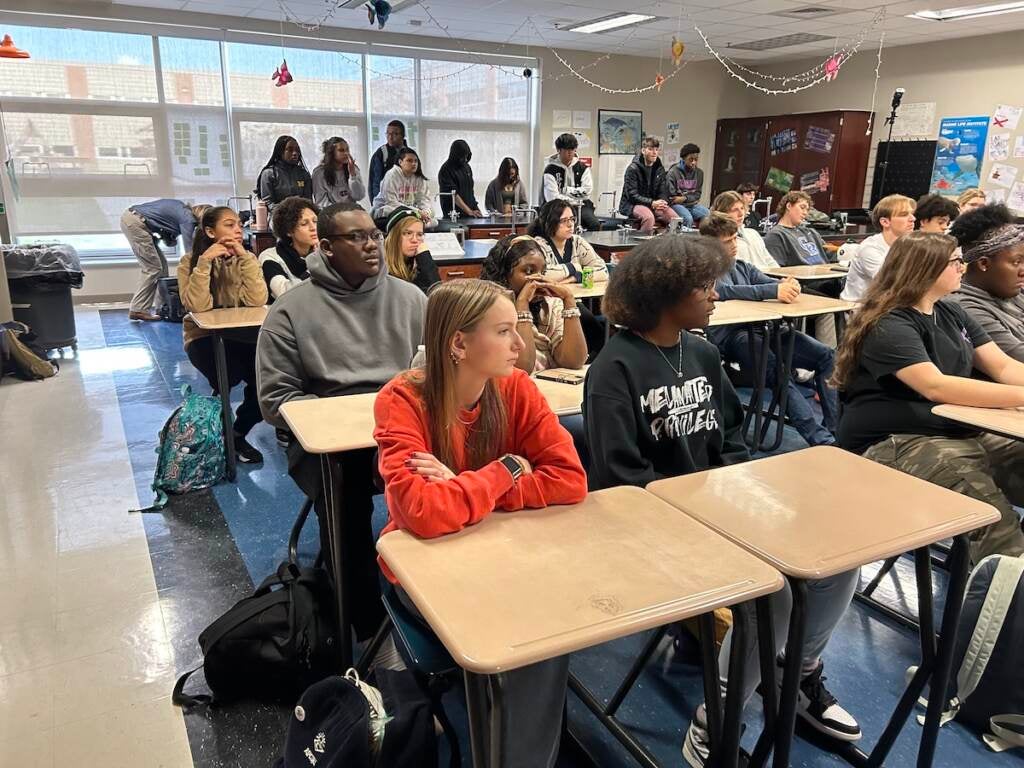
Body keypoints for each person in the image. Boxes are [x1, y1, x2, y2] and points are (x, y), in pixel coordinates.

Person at [582, 236, 861, 767]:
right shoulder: (614, 369)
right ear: (666, 296)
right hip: (649, 523)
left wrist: (738, 494)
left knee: (838, 558)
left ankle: (796, 675)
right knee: (772, 593)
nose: (715, 297)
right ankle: (717, 720)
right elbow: (620, 477)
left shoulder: (704, 352)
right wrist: (707, 511)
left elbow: (732, 438)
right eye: (703, 287)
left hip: (718, 507)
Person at [373, 278, 587, 768]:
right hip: (421, 567)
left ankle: (523, 746)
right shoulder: (401, 399)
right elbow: (423, 513)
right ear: (458, 343)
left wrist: (465, 487)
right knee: (533, 636)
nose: (520, 344)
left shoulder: (516, 388)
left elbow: (570, 480)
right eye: (505, 330)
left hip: (502, 551)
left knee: (549, 626)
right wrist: (507, 468)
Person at [257, 202, 427, 644]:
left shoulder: (411, 299)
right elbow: (276, 400)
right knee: (346, 493)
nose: (371, 244)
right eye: (356, 237)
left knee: (461, 469)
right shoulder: (291, 311)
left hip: (404, 427)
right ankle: (368, 625)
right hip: (331, 443)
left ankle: (440, 600)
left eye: (373, 234)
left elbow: (440, 371)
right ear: (327, 247)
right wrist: (344, 422)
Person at [832, 231, 1024, 561]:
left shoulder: (951, 313)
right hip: (897, 441)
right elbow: (935, 386)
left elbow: (1004, 366)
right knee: (995, 524)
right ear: (925, 269)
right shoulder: (888, 323)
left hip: (958, 430)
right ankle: (1006, 593)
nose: (963, 267)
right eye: (956, 261)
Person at [700, 214, 837, 446]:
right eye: (727, 242)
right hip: (734, 335)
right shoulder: (706, 270)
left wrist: (787, 285)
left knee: (826, 355)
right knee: (777, 370)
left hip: (767, 328)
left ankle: (836, 429)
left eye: (735, 239)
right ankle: (822, 440)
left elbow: (764, 282)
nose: (734, 245)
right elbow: (727, 291)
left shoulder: (742, 265)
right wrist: (773, 291)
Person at [178, 206, 268, 464]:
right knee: (226, 376)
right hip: (204, 337)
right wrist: (205, 263)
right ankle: (219, 436)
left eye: (239, 224)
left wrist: (247, 260)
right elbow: (198, 306)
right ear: (209, 231)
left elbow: (257, 300)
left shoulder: (245, 257)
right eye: (229, 225)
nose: (238, 229)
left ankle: (235, 435)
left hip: (245, 335)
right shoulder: (189, 262)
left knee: (267, 385)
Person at [480, 235, 588, 373]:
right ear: (505, 273)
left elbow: (574, 361)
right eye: (529, 271)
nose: (539, 279)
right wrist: (522, 304)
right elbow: (523, 369)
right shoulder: (490, 310)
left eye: (542, 272)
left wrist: (568, 300)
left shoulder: (549, 306)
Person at [949, 204, 1024, 361]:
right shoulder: (964, 308)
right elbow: (1018, 356)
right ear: (984, 264)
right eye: (1017, 262)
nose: (1022, 271)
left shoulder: (1012, 291)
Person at [121, 199, 207, 321]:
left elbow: (167, 237)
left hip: (135, 219)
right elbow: (190, 252)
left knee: (161, 267)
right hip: (136, 222)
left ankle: (163, 308)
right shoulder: (188, 219)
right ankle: (138, 309)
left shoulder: (181, 211)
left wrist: (170, 237)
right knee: (153, 268)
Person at [841, 194, 916, 302]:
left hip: (892, 307)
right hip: (861, 310)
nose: (913, 219)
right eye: (904, 214)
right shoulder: (870, 249)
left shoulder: (910, 246)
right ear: (885, 222)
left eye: (912, 214)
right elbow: (891, 283)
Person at [529, 200, 609, 284]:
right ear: (549, 223)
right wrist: (573, 267)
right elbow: (539, 275)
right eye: (564, 220)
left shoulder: (577, 242)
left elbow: (603, 271)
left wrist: (578, 277)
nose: (570, 224)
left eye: (572, 219)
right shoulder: (538, 245)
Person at [258, 196, 319, 301]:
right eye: (304, 224)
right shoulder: (270, 257)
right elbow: (286, 296)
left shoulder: (326, 252)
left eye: (315, 221)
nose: (313, 228)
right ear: (288, 231)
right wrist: (316, 263)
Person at [618, 136, 680, 234]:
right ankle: (641, 246)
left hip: (654, 204)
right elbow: (632, 195)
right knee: (649, 218)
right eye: (650, 149)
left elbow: (663, 190)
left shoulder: (659, 168)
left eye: (656, 149)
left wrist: (662, 202)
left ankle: (668, 245)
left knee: (676, 219)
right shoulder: (633, 169)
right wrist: (652, 203)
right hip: (633, 204)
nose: (654, 152)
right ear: (643, 150)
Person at [540, 132, 600, 231]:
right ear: (559, 150)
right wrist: (573, 199)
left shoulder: (583, 168)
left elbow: (587, 191)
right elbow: (552, 197)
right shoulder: (550, 169)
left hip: (581, 205)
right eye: (566, 149)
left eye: (572, 149)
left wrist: (566, 190)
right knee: (561, 227)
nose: (570, 152)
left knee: (594, 224)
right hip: (557, 207)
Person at [764, 191, 835, 268]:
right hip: (806, 278)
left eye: (807, 210)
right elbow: (776, 271)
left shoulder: (811, 232)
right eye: (802, 207)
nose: (805, 213)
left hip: (829, 275)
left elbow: (832, 255)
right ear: (789, 206)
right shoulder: (777, 235)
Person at [711, 191, 778, 272]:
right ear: (722, 213)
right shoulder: (723, 240)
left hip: (770, 278)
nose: (741, 213)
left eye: (742, 208)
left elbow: (769, 261)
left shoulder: (753, 233)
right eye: (735, 210)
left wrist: (782, 276)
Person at [370, 147, 435, 228]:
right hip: (386, 213)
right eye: (409, 160)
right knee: (392, 211)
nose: (414, 164)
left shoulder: (419, 178)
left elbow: (424, 200)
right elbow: (391, 203)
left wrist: (426, 213)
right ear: (400, 162)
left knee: (433, 219)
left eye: (416, 161)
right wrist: (416, 212)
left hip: (410, 213)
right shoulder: (392, 175)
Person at [382, 207, 440, 294]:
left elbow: (437, 296)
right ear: (393, 237)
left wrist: (425, 258)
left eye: (419, 234)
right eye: (408, 233)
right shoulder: (381, 271)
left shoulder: (418, 264)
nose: (414, 240)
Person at [256, 135, 312, 213]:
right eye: (290, 150)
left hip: (300, 215)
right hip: (277, 216)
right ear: (280, 151)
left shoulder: (303, 174)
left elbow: (308, 201)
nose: (295, 153)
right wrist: (287, 213)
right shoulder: (269, 174)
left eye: (297, 150)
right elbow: (268, 203)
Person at [311, 136, 365, 207]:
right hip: (332, 213)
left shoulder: (353, 168)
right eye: (341, 150)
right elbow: (321, 202)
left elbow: (359, 196)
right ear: (331, 153)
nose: (346, 153)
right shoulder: (319, 173)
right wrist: (340, 213)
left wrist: (353, 176)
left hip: (352, 211)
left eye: (347, 150)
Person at [666, 143, 710, 227]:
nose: (694, 162)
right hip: (676, 205)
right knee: (688, 218)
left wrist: (684, 198)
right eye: (691, 159)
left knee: (708, 215)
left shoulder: (699, 173)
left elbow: (697, 195)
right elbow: (672, 198)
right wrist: (687, 198)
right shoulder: (673, 173)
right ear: (683, 158)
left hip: (691, 204)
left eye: (696, 159)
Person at [437, 139, 482, 219]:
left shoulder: (467, 167)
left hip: (469, 213)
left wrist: (476, 209)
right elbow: (454, 195)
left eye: (466, 156)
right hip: (453, 215)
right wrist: (469, 211)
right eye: (462, 157)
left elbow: (470, 192)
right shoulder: (446, 170)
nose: (465, 159)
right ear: (455, 155)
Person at [368, 119, 408, 202]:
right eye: (388, 133)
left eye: (395, 134)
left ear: (403, 135)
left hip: (406, 200)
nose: (390, 137)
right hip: (385, 202)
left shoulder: (410, 154)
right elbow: (375, 182)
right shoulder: (381, 153)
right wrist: (377, 204)